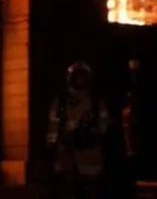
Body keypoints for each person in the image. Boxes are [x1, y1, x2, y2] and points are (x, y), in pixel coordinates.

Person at [46, 61, 110, 199]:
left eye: (83, 77)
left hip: (90, 153)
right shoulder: (61, 101)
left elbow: (104, 126)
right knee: (65, 190)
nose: (81, 81)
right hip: (66, 153)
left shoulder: (96, 101)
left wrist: (90, 133)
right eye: (78, 77)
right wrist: (54, 143)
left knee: (91, 191)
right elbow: (53, 125)